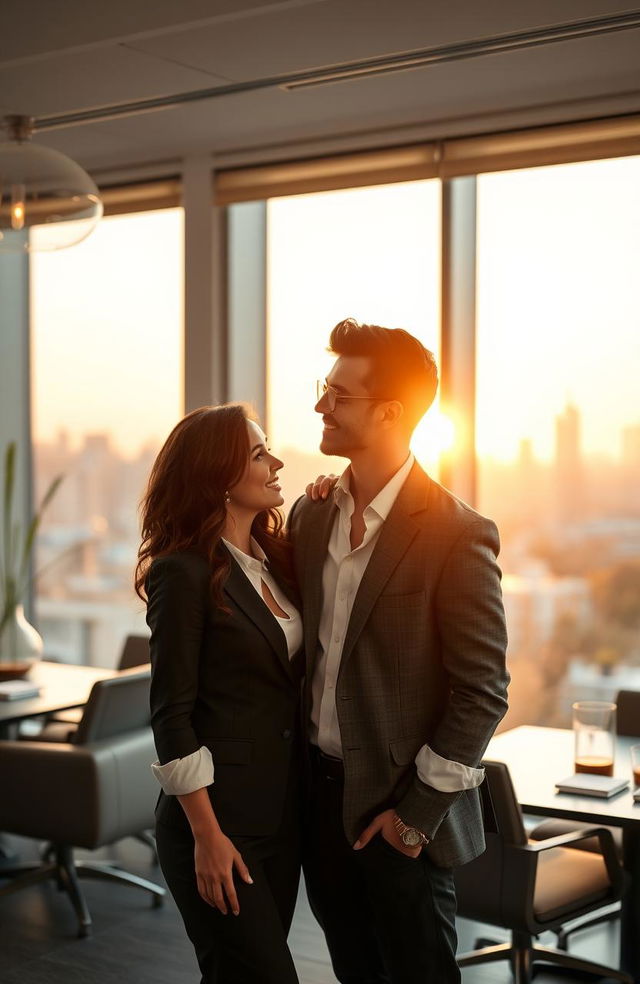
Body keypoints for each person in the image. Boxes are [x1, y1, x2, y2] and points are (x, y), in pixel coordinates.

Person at [289, 318, 509, 984]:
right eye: (323, 389)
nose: (320, 405)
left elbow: (482, 693)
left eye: (338, 394)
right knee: (353, 968)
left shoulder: (457, 533)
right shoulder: (312, 513)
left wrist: (412, 820)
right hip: (318, 802)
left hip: (402, 817)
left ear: (388, 412)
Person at [135, 404, 303, 984]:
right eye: (259, 454)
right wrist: (207, 837)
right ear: (219, 476)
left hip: (279, 818)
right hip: (216, 826)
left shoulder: (276, 561)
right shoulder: (181, 573)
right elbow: (171, 718)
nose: (277, 462)